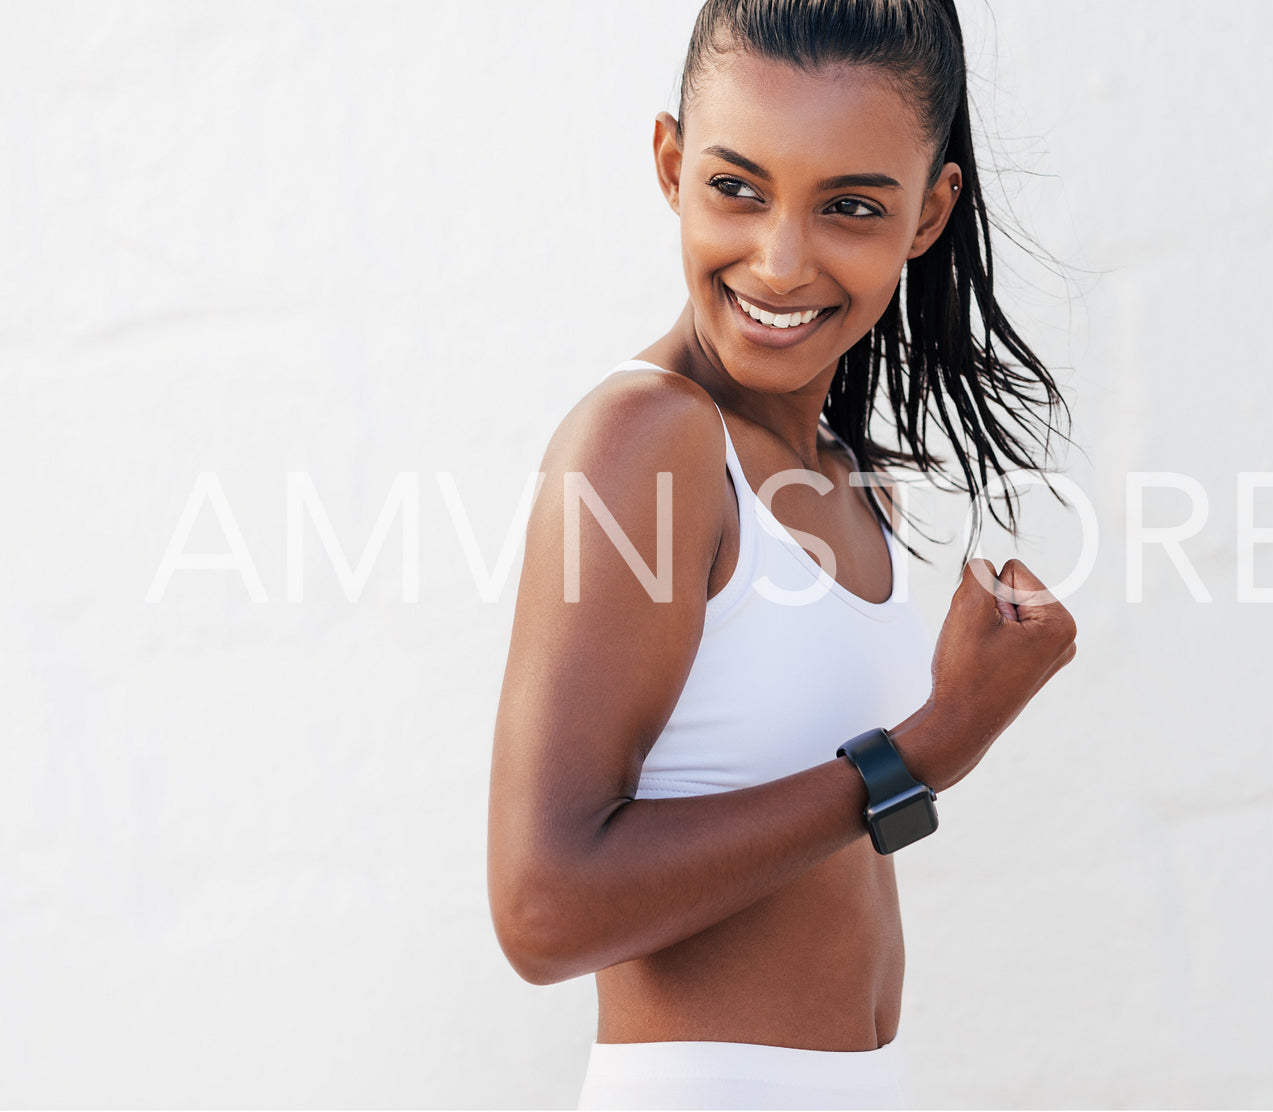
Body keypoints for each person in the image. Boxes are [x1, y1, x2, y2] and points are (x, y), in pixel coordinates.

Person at [487, 0, 1078, 1106]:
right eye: (735, 188)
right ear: (670, 164)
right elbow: (542, 908)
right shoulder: (647, 441)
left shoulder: (849, 481)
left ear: (926, 211)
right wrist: (926, 744)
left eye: (849, 205)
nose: (779, 259)